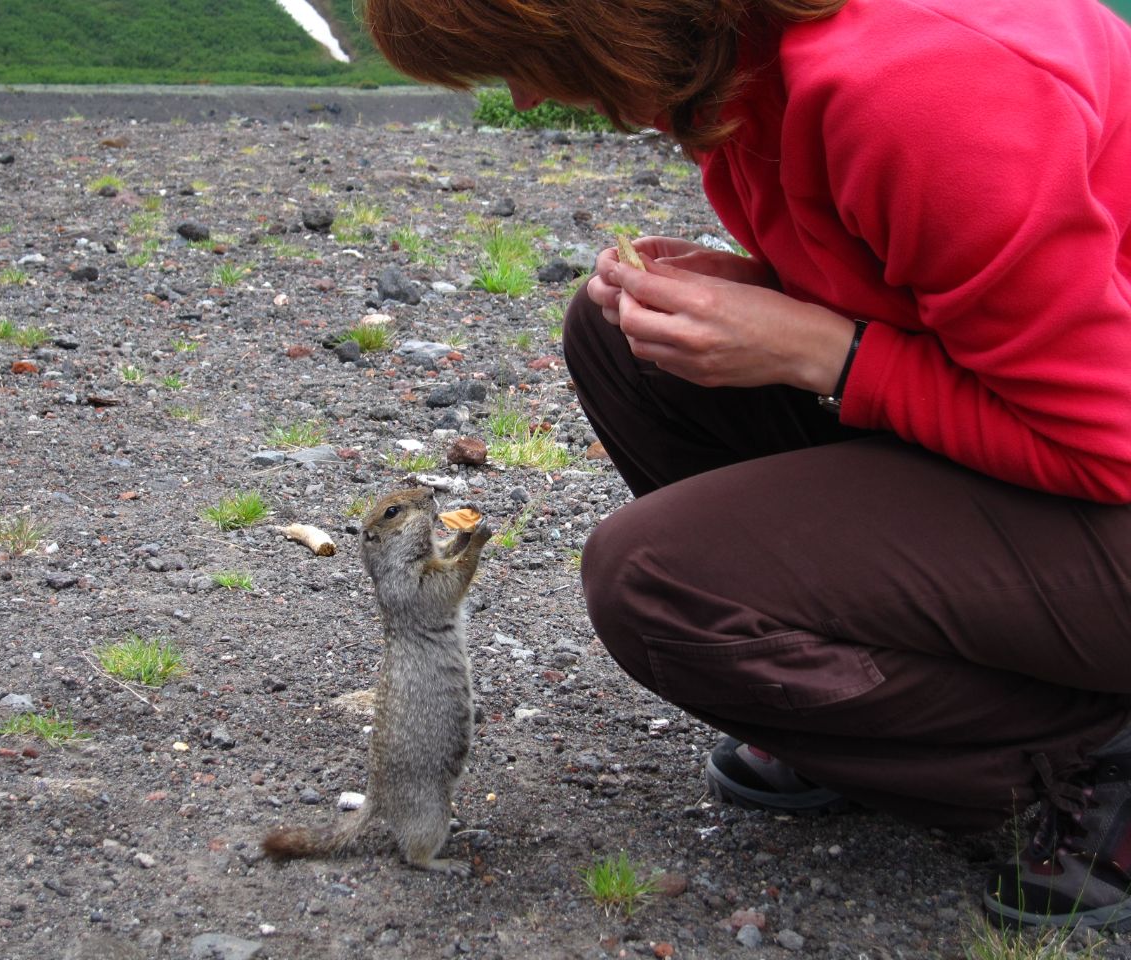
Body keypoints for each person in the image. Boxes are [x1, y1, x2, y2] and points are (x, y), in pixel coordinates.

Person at [362, 0, 1131, 929]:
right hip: (1073, 437)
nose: (526, 98)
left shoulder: (911, 87)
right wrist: (772, 294)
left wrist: (829, 354)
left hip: (1108, 458)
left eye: (527, 59)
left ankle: (1087, 761)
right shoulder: (737, 62)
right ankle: (875, 704)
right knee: (622, 342)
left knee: (656, 583)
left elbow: (1106, 440)